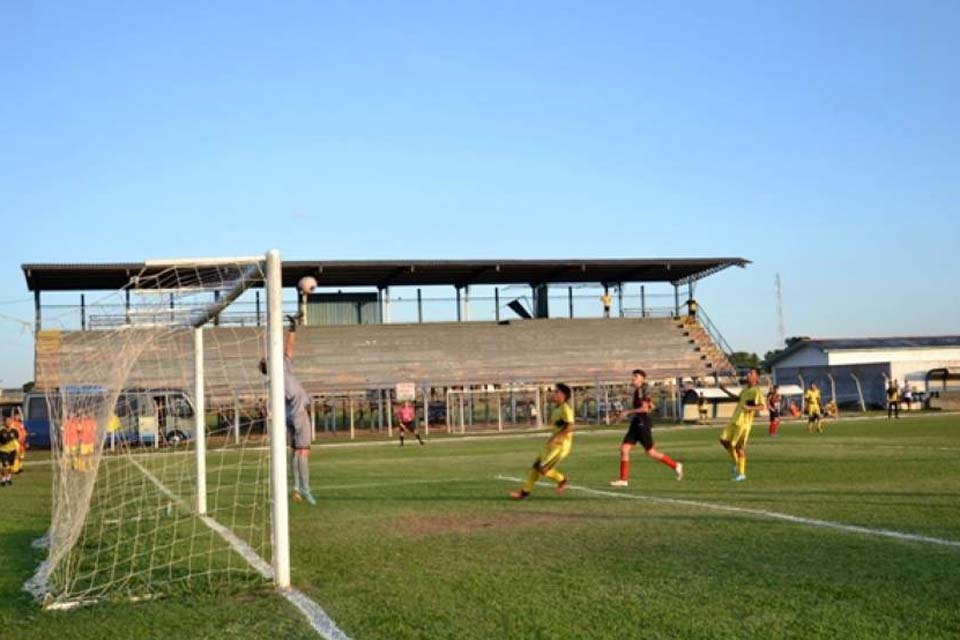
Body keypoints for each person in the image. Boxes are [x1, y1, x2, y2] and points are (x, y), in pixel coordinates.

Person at [260, 314, 316, 505]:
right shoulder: (281, 371)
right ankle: (305, 489)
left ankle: (295, 488)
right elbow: (289, 350)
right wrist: (292, 328)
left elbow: (289, 349)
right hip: (299, 413)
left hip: (288, 416)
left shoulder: (273, 380)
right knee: (303, 451)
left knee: (295, 451)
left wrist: (292, 327)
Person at [610, 370, 682, 487]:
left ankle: (675, 465)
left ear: (642, 379)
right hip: (636, 423)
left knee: (651, 452)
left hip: (642, 423)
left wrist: (628, 412)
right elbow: (650, 406)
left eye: (636, 376)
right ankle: (623, 480)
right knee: (624, 449)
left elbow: (644, 409)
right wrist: (649, 406)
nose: (633, 378)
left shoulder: (643, 389)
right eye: (633, 376)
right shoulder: (640, 390)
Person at [510, 384, 575, 499]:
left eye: (557, 392)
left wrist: (557, 437)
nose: (554, 394)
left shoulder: (566, 409)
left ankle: (562, 480)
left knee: (543, 468)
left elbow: (570, 427)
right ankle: (525, 492)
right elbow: (559, 427)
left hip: (561, 446)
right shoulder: (557, 408)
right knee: (536, 466)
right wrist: (552, 438)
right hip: (553, 443)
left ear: (563, 395)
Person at [718, 368, 765, 482]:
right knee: (723, 440)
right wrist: (724, 390)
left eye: (751, 373)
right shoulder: (745, 390)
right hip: (735, 419)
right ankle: (735, 462)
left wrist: (749, 408)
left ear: (756, 377)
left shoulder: (756, 391)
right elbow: (738, 399)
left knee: (739, 448)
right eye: (748, 373)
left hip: (744, 424)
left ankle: (742, 473)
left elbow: (762, 406)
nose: (748, 374)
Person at [0, 417, 19, 486]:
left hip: (12, 450)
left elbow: (17, 440)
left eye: (10, 421)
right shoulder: (1, 431)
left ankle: (8, 479)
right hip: (3, 450)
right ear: (4, 422)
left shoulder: (14, 430)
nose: (9, 422)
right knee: (5, 466)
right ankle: (3, 480)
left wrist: (17, 450)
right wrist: (2, 443)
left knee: (11, 466)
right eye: (7, 421)